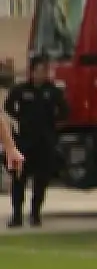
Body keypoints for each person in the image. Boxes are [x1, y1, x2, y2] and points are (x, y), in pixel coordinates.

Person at [6, 55, 68, 229]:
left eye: (44, 71)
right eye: (38, 71)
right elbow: (8, 108)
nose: (41, 74)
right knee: (19, 179)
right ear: (31, 72)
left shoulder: (53, 91)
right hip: (24, 142)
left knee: (41, 180)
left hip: (44, 142)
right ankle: (17, 215)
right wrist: (19, 122)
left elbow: (64, 111)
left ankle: (35, 214)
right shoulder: (20, 90)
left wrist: (53, 127)